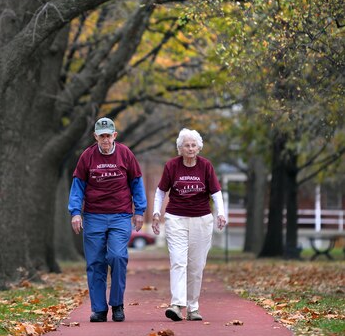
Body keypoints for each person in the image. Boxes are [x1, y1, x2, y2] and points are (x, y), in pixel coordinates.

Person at [68, 117, 147, 323]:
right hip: (94, 216)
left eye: (108, 135)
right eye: (101, 136)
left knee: (118, 257)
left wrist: (140, 210)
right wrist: (75, 212)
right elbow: (78, 187)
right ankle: (99, 309)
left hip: (120, 215)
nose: (105, 139)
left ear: (114, 136)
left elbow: (137, 183)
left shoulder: (125, 154)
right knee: (95, 263)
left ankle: (117, 304)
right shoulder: (87, 157)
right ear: (95, 136)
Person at [151, 128, 227, 322]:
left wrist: (221, 213)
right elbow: (161, 192)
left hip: (201, 220)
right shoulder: (172, 166)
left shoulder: (206, 166)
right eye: (187, 145)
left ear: (199, 147)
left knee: (196, 266)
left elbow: (216, 193)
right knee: (178, 261)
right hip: (176, 218)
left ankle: (193, 308)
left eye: (194, 145)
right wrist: (156, 212)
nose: (191, 148)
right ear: (180, 148)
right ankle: (176, 304)